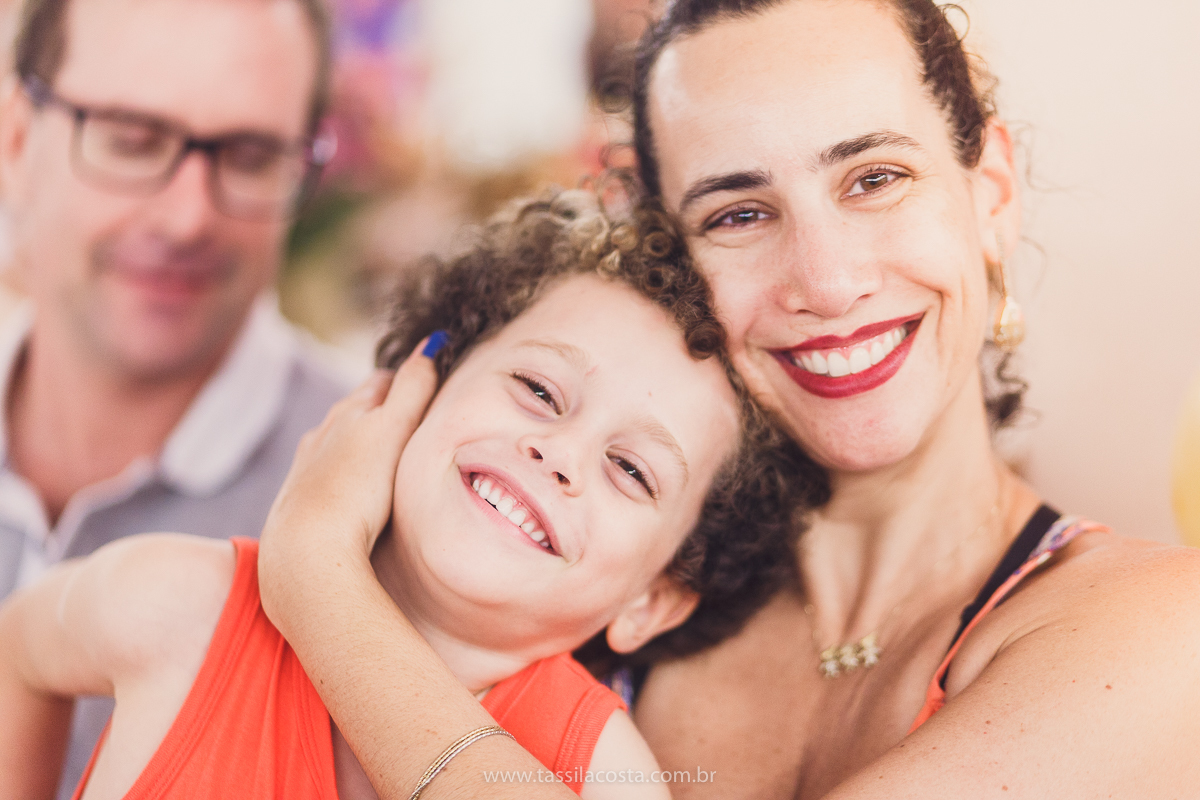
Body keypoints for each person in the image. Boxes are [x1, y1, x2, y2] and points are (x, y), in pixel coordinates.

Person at [243, 1, 1200, 798]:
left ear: (990, 193)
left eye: (876, 178)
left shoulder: (1161, 634)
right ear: (666, 258)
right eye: (739, 212)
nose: (826, 281)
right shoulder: (596, 577)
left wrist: (317, 580)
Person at [0, 189, 823, 800]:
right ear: (411, 396)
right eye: (538, 390)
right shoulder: (176, 603)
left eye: (633, 471)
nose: (559, 453)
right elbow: (18, 649)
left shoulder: (601, 774)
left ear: (653, 599)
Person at [0, 0, 344, 792]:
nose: (189, 218)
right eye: (131, 139)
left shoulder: (384, 512)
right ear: (16, 140)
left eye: (250, 156)